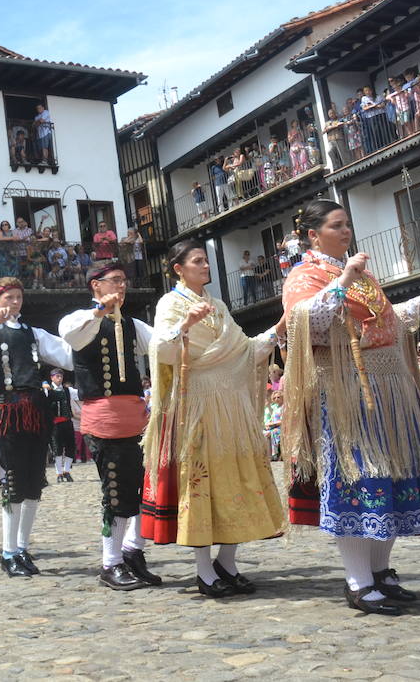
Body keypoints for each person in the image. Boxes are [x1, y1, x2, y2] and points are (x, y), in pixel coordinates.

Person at [282, 199, 420, 615]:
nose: (345, 232)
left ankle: (380, 572)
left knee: (391, 475)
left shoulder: (362, 276)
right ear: (313, 234)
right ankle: (357, 581)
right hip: (344, 391)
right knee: (360, 477)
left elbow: (383, 322)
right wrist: (342, 279)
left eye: (347, 225)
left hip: (387, 386)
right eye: (336, 225)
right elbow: (304, 322)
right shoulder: (303, 276)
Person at [140, 240, 287, 597]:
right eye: (198, 261)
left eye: (206, 261)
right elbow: (161, 350)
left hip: (231, 404)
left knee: (236, 480)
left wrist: (278, 328)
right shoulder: (171, 304)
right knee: (202, 484)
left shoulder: (218, 305)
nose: (206, 267)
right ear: (179, 268)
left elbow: (244, 350)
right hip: (198, 404)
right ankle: (204, 571)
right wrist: (185, 327)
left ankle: (228, 562)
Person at [0, 277, 74, 578]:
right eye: (9, 297)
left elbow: (66, 354)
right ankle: (8, 552)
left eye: (18, 297)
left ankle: (22, 547)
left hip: (36, 409)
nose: (15, 302)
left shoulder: (33, 333)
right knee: (12, 481)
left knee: (34, 482)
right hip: (10, 411)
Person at [57, 264, 159, 591]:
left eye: (125, 280)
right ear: (96, 286)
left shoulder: (132, 324)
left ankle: (133, 550)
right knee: (116, 491)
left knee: (145, 486)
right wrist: (100, 311)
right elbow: (73, 335)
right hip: (103, 417)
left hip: (136, 417)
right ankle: (110, 563)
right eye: (115, 280)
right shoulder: (80, 318)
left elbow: (162, 346)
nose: (122, 285)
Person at [45, 370, 78, 483]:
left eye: (61, 376)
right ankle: (59, 473)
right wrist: (43, 384)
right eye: (57, 376)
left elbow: (79, 393)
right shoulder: (47, 390)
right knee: (57, 448)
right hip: (55, 424)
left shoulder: (68, 390)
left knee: (71, 446)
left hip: (67, 422)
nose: (59, 378)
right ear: (52, 377)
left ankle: (67, 471)